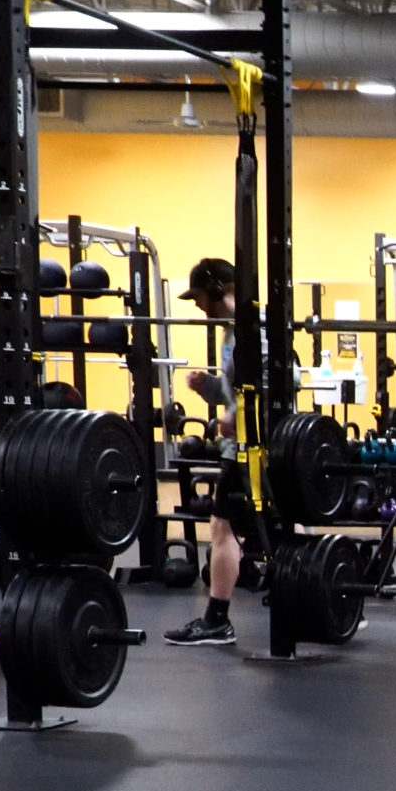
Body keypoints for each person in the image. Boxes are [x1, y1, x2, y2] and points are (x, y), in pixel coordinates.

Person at [163, 258, 250, 647]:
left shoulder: (252, 329)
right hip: (240, 445)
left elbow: (286, 378)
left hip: (251, 447)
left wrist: (240, 417)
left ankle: (216, 621)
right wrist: (208, 387)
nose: (198, 307)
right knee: (264, 529)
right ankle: (324, 599)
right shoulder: (231, 333)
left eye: (199, 298)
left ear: (217, 289)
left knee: (222, 527)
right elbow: (235, 391)